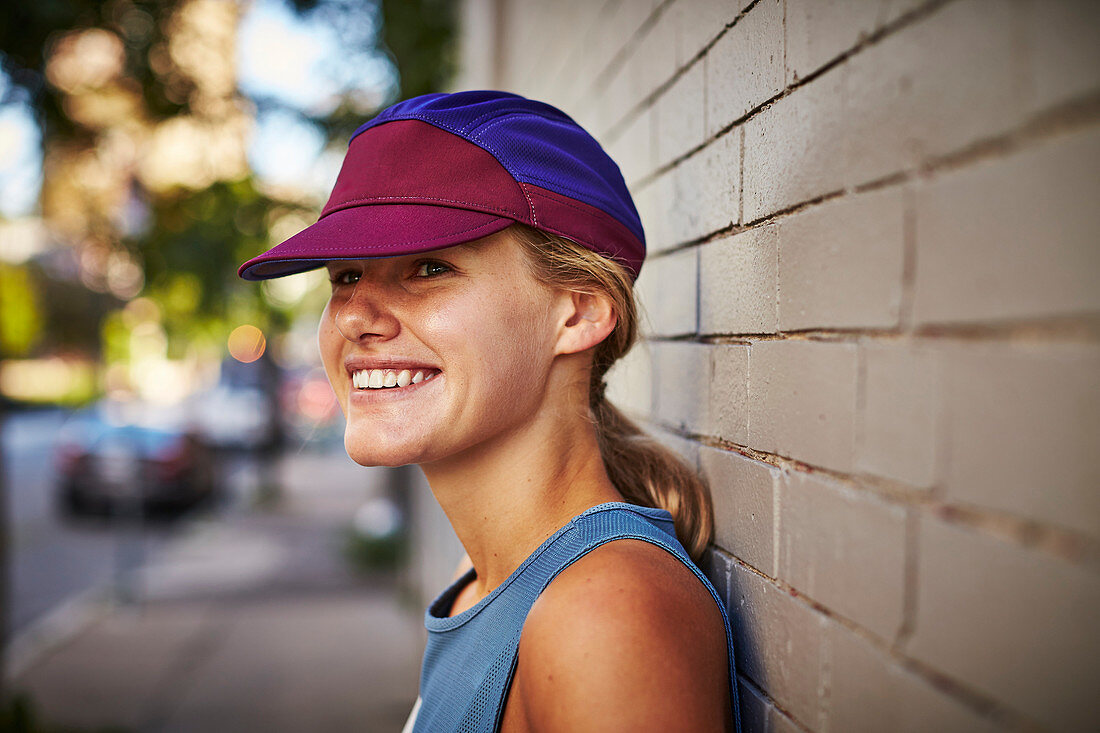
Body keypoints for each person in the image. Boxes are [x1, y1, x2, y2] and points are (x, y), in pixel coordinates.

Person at [238, 90, 740, 733]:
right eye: (346, 277)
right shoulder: (482, 581)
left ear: (579, 311)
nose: (357, 317)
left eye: (428, 267)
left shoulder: (603, 615)